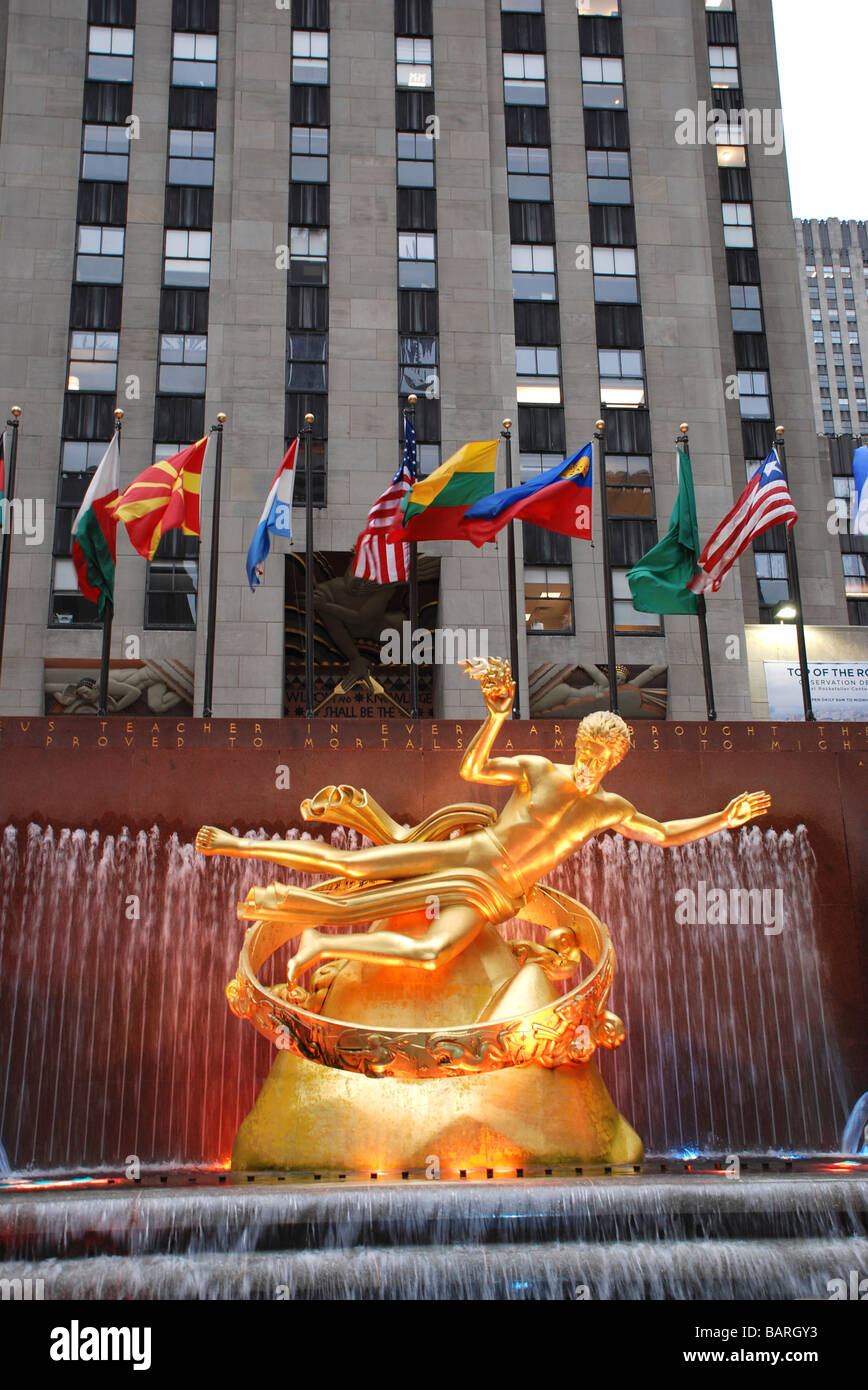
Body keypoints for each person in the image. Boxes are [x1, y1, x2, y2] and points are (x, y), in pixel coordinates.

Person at [196, 657, 770, 980]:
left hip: (497, 893)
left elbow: (665, 835)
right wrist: (496, 715)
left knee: (430, 954)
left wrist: (723, 815)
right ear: (578, 745)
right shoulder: (539, 769)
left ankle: (322, 943)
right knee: (355, 864)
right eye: (590, 750)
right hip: (471, 855)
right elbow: (472, 767)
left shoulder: (609, 809)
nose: (595, 762)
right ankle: (234, 844)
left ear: (616, 761)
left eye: (606, 757)